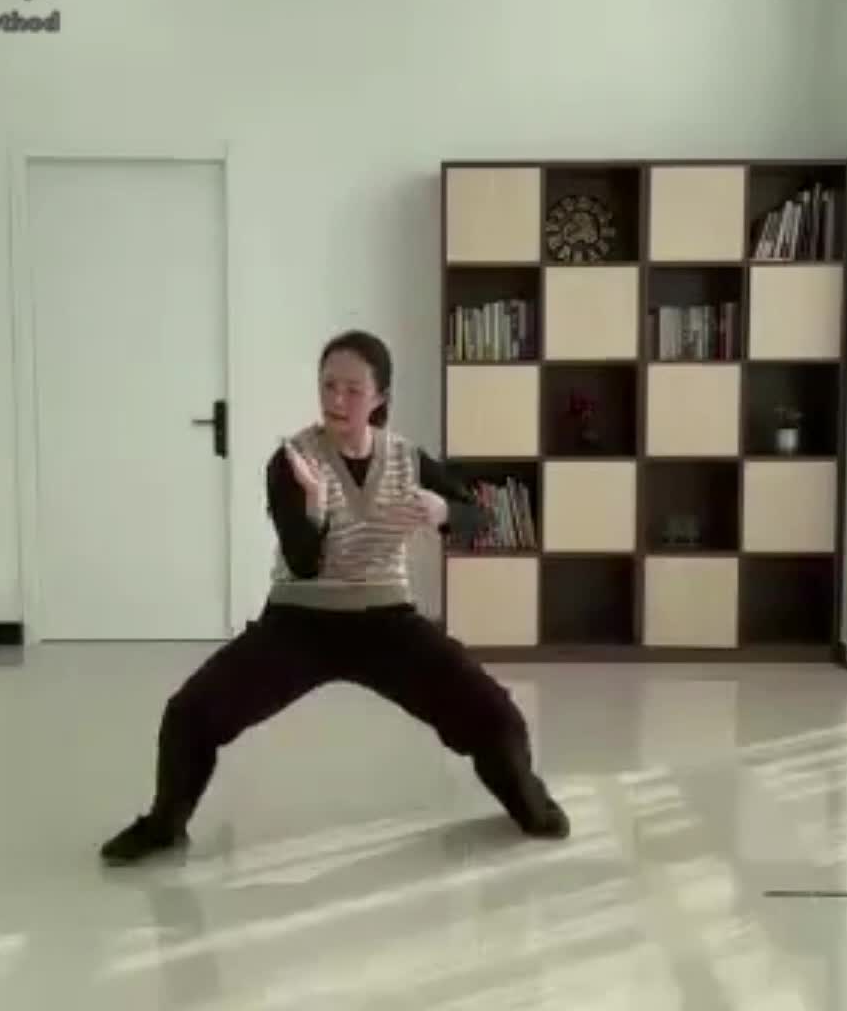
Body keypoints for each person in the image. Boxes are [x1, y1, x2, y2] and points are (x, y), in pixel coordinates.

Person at [100, 330, 569, 864]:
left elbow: (477, 517)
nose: (336, 400)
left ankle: (530, 805)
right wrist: (316, 507)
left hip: (387, 621)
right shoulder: (293, 461)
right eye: (328, 386)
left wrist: (443, 511)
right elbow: (302, 562)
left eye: (352, 389)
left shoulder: (407, 458)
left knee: (495, 716)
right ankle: (164, 826)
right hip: (300, 621)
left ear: (380, 397)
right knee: (189, 714)